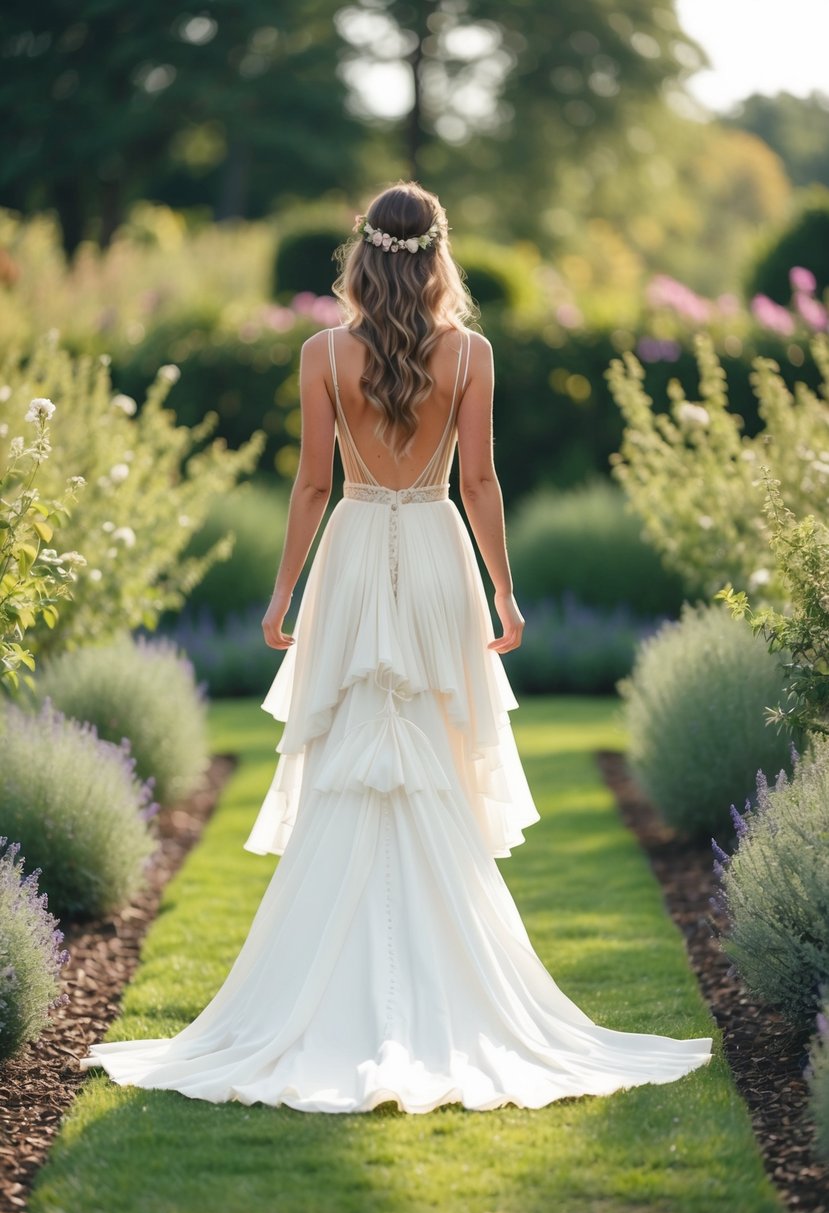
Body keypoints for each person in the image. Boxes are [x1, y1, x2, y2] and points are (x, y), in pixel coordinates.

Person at [79, 181, 713, 1112]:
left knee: (350, 751)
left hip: (351, 547)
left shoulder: (322, 352)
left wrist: (282, 592)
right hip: (433, 549)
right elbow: (483, 479)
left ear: (362, 255)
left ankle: (325, 991)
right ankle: (440, 981)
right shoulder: (470, 353)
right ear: (439, 254)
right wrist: (503, 586)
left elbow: (309, 485)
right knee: (433, 753)